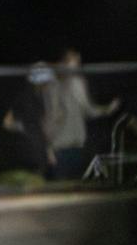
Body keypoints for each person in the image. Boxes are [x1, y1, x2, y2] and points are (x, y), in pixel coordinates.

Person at [42, 48, 117, 180]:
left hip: (78, 146)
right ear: (64, 62)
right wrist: (48, 148)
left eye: (78, 61)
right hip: (60, 148)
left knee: (75, 187)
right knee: (63, 190)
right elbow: (51, 117)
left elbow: (89, 110)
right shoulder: (54, 86)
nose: (77, 64)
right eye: (73, 60)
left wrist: (107, 109)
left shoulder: (79, 83)